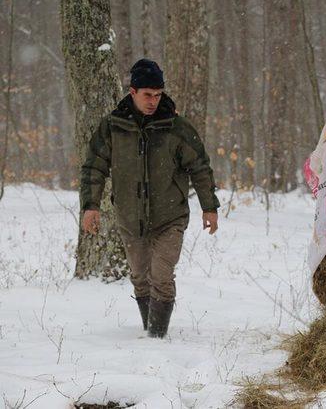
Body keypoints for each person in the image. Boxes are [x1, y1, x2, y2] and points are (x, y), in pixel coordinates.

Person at [79, 59, 220, 338]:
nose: (153, 101)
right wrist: (90, 206)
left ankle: (157, 338)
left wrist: (209, 207)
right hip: (130, 217)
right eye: (147, 95)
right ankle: (148, 331)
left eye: (158, 95)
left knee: (161, 276)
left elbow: (200, 167)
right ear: (132, 92)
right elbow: (94, 166)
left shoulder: (176, 127)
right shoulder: (113, 126)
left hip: (170, 216)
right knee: (140, 278)